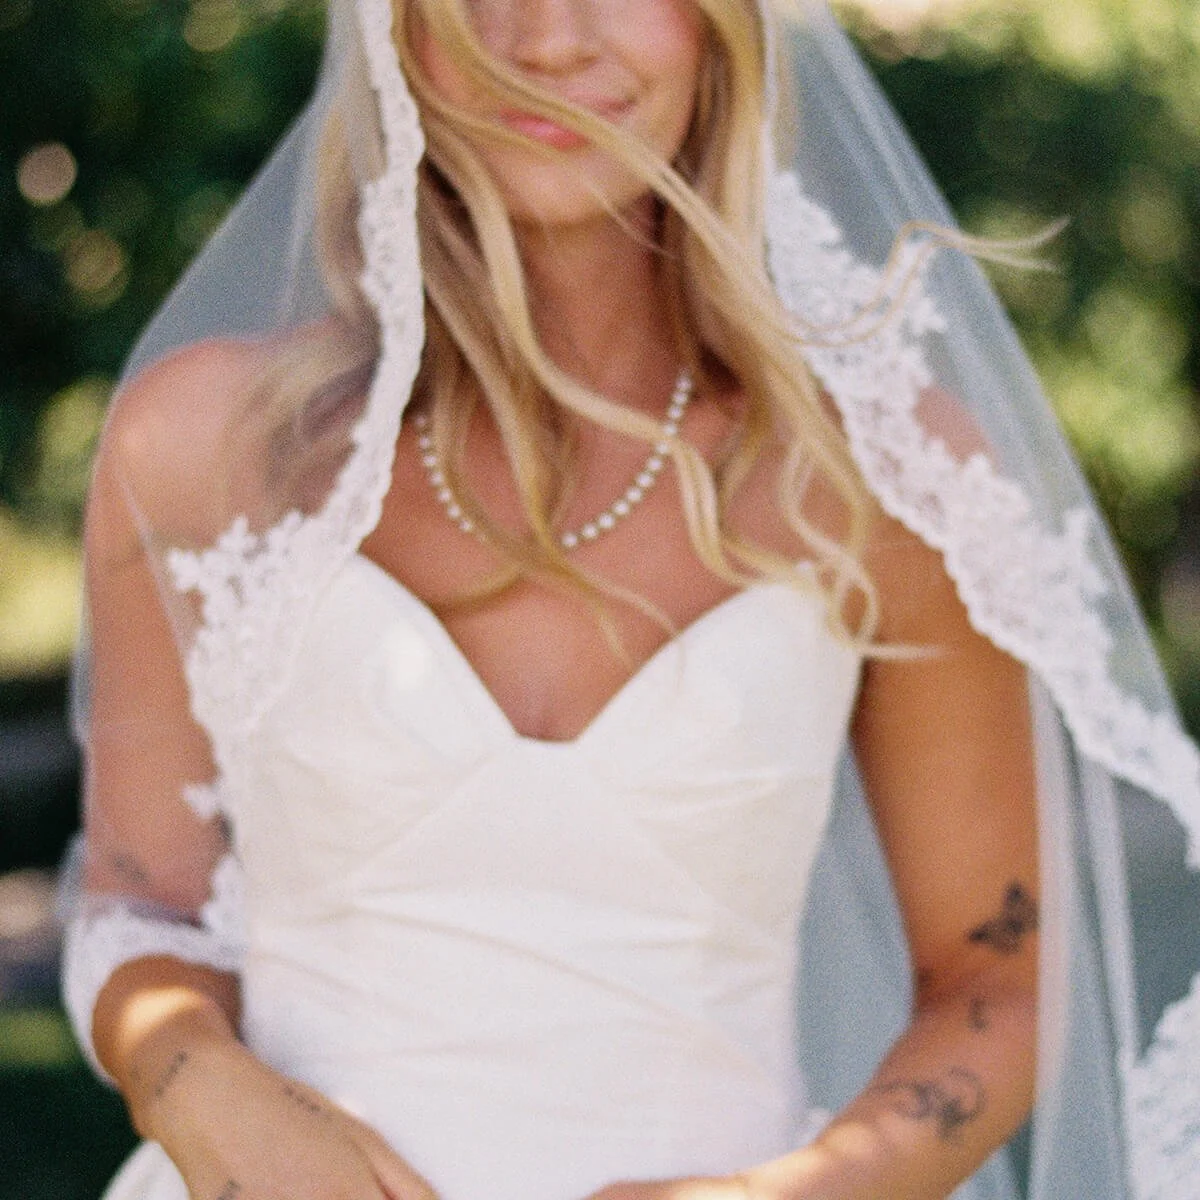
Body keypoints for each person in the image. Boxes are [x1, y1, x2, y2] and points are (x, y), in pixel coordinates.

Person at [62, 1, 1200, 1198]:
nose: (549, 40)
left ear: (726, 23)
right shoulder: (206, 446)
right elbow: (141, 905)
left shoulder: (886, 479)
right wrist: (196, 1086)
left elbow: (997, 981)